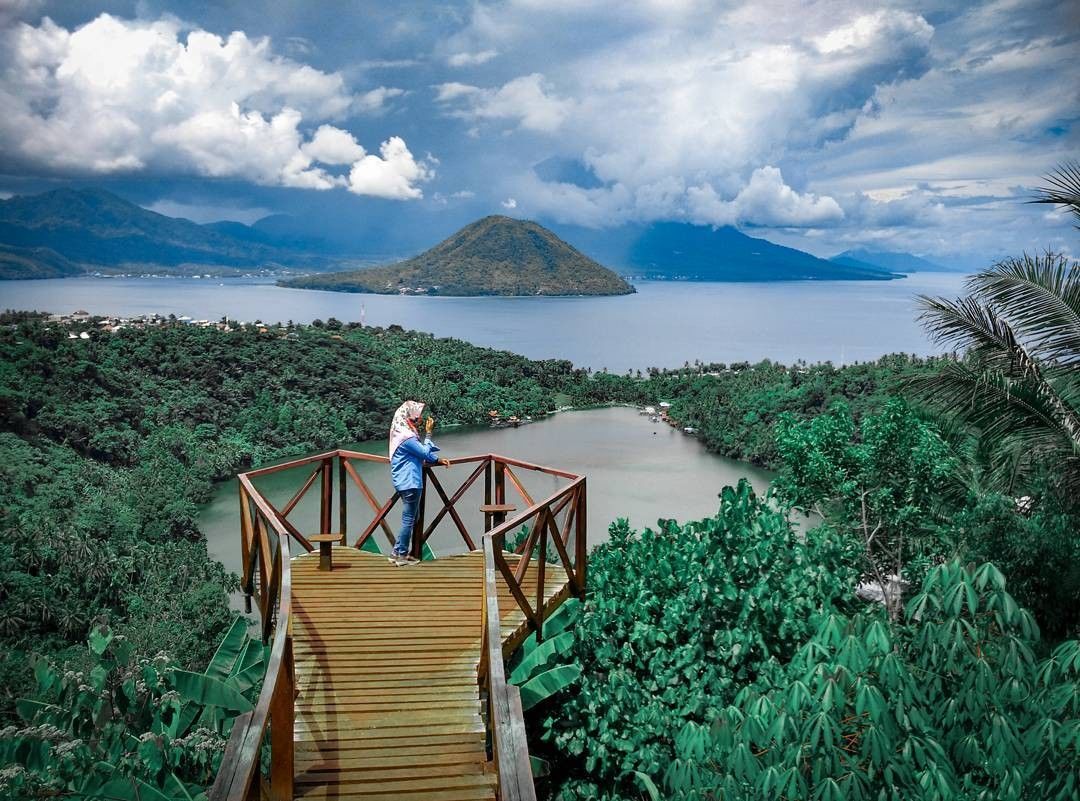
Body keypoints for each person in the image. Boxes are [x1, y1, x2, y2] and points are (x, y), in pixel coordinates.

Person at [388, 400, 450, 566]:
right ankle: (401, 555)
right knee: (409, 519)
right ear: (408, 418)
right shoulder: (406, 437)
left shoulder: (400, 433)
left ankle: (397, 551)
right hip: (410, 481)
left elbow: (421, 454)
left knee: (413, 517)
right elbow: (423, 453)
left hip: (404, 480)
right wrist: (429, 434)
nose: (419, 420)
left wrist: (435, 459)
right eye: (416, 418)